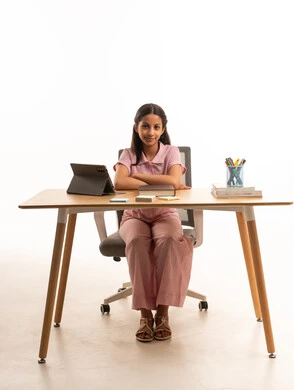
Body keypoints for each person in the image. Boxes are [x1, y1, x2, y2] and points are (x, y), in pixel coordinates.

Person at [114, 103, 193, 342]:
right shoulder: (128, 154)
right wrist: (163, 181)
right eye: (145, 126)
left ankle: (164, 313)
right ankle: (145, 316)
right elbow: (119, 183)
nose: (151, 132)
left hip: (164, 214)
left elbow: (174, 181)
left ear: (163, 128)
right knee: (138, 241)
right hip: (134, 215)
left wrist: (137, 175)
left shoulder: (171, 151)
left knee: (168, 240)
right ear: (136, 128)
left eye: (156, 127)